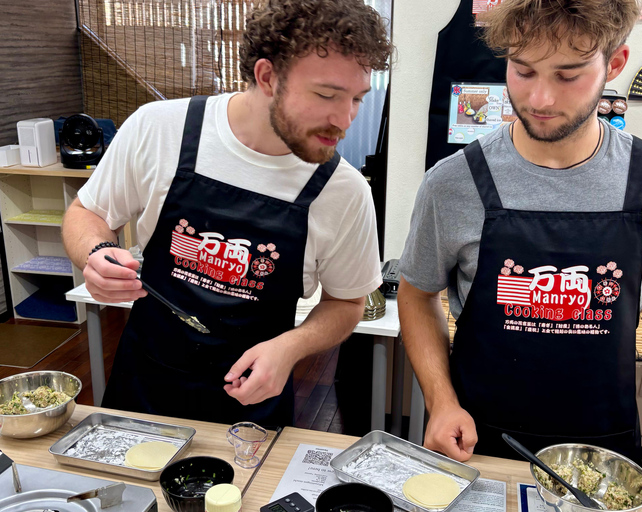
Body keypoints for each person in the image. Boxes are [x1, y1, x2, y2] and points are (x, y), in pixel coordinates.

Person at [398, 0, 642, 505]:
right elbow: (416, 295)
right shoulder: (452, 183)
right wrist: (441, 400)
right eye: (522, 70)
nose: (540, 97)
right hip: (477, 445)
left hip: (603, 454)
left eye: (568, 75)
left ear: (614, 63)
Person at [61, 0, 394, 428]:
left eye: (357, 99)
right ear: (268, 76)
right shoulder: (160, 129)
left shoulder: (343, 191)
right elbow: (85, 212)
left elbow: (346, 302)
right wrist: (98, 252)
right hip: (144, 388)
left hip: (253, 409)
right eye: (327, 95)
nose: (344, 119)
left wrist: (291, 347)